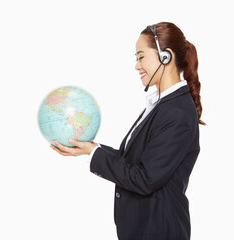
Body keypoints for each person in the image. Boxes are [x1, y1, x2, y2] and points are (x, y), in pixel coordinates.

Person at [50, 22, 205, 240]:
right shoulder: (162, 106)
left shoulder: (177, 112)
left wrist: (94, 154)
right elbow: (135, 162)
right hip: (144, 230)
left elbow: (145, 178)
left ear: (165, 57)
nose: (136, 65)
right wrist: (90, 149)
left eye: (141, 57)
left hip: (159, 232)